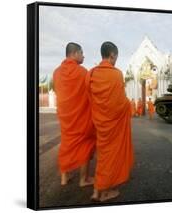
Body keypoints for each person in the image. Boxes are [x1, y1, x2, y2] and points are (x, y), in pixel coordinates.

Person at [85, 41, 134, 202]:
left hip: (100, 123)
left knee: (103, 156)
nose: (116, 60)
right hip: (113, 124)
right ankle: (105, 192)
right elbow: (119, 103)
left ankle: (96, 190)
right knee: (111, 157)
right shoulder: (117, 74)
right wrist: (129, 105)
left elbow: (90, 98)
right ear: (112, 55)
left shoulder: (91, 74)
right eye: (116, 57)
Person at [53, 42, 96, 187]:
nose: (83, 56)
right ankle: (83, 179)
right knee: (85, 145)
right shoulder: (82, 72)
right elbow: (92, 93)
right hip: (82, 119)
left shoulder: (56, 72)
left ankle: (64, 178)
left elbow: (60, 93)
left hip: (66, 119)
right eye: (82, 53)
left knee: (66, 145)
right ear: (75, 53)